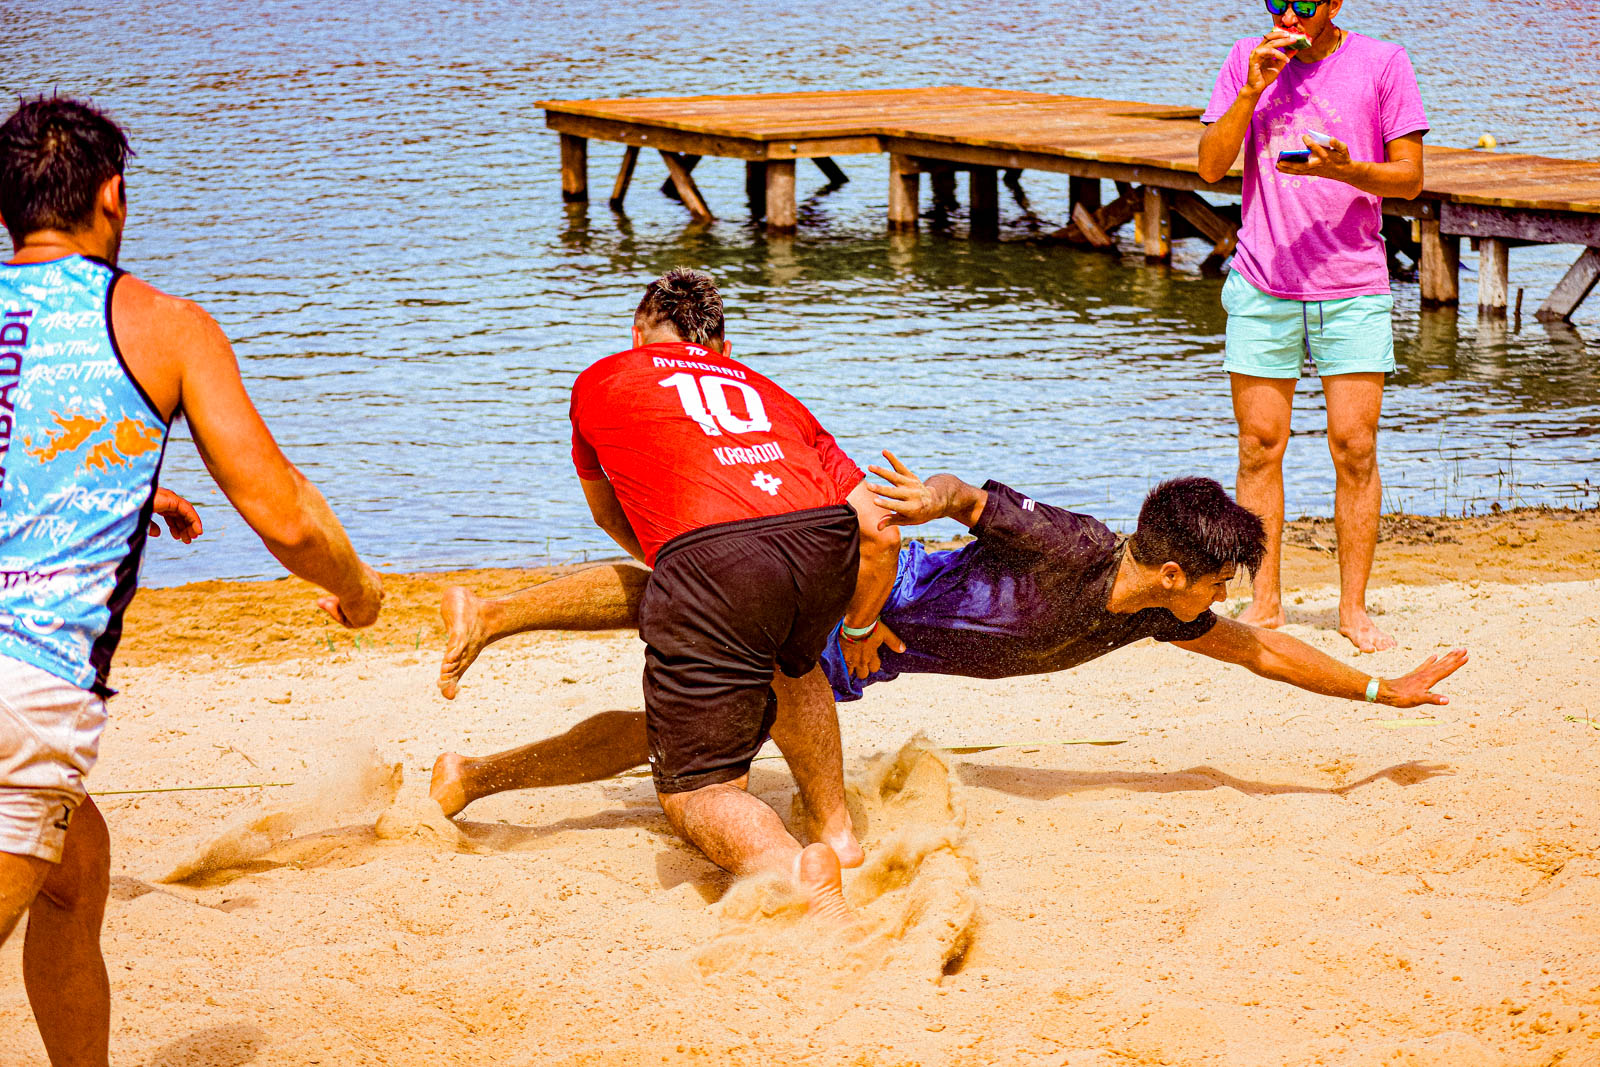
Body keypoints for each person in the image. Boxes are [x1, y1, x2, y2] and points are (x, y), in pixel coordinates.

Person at [427, 455, 1467, 828]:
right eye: (1220, 579)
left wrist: (1384, 693)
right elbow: (967, 498)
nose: (1227, 598)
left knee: (690, 702)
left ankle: (473, 771)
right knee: (694, 646)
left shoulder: (1159, 611)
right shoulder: (1072, 544)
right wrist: (920, 505)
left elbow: (1259, 651)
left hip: (861, 648)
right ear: (1170, 569)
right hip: (852, 603)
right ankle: (486, 671)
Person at [0, 96, 384, 1066]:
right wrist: (359, 589)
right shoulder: (166, 327)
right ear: (113, 197)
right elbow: (286, 515)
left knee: (78, 866)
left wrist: (129, 483)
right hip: (25, 686)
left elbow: (24, 428)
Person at [436, 268, 899, 918]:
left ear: (636, 335)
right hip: (823, 545)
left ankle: (796, 872)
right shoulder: (770, 390)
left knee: (696, 790)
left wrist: (705, 579)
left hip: (718, 561)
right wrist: (857, 625)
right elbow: (879, 529)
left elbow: (610, 516)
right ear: (724, 351)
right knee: (791, 666)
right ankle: (839, 834)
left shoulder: (601, 379)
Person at [1196, 0, 1429, 653]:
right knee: (1258, 446)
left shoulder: (1383, 63)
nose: (1289, 16)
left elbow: (1410, 179)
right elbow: (1209, 166)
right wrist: (1252, 91)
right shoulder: (1247, 59)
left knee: (1354, 447)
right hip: (1261, 282)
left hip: (1353, 287)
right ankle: (1264, 602)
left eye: (1304, 3)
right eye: (1277, 2)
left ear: (1334, 3)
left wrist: (1343, 170)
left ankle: (1352, 610)